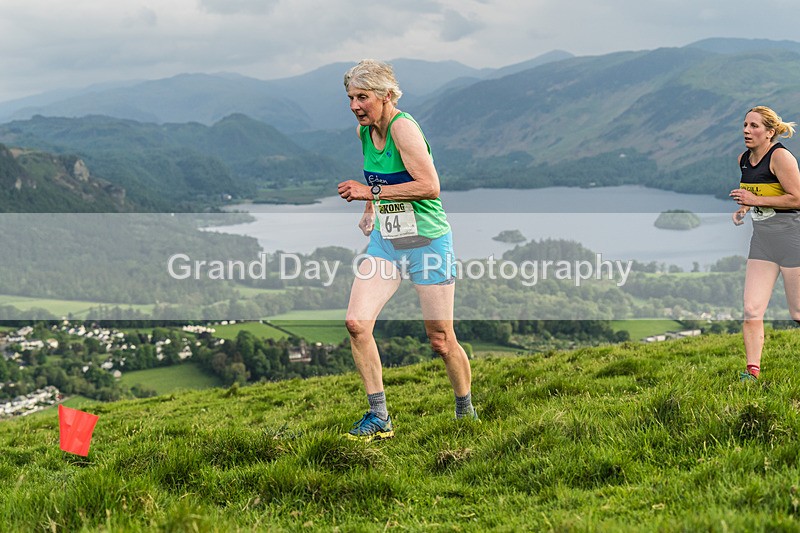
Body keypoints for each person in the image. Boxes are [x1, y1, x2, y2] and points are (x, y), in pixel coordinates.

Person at [337, 59, 476, 440]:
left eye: (362, 97)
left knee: (441, 340)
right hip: (387, 242)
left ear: (385, 96)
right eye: (350, 97)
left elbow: (429, 186)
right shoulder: (365, 132)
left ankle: (466, 411)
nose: (354, 105)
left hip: (427, 243)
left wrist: (370, 193)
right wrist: (371, 208)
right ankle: (379, 417)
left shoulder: (404, 128)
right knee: (356, 323)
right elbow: (378, 176)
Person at [730, 105, 800, 382]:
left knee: (796, 311)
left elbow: (797, 198)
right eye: (745, 125)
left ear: (770, 132)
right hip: (762, 241)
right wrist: (743, 210)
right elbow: (752, 190)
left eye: (754, 126)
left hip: (792, 240)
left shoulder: (780, 157)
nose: (747, 130)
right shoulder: (743, 159)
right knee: (751, 309)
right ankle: (752, 373)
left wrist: (755, 202)